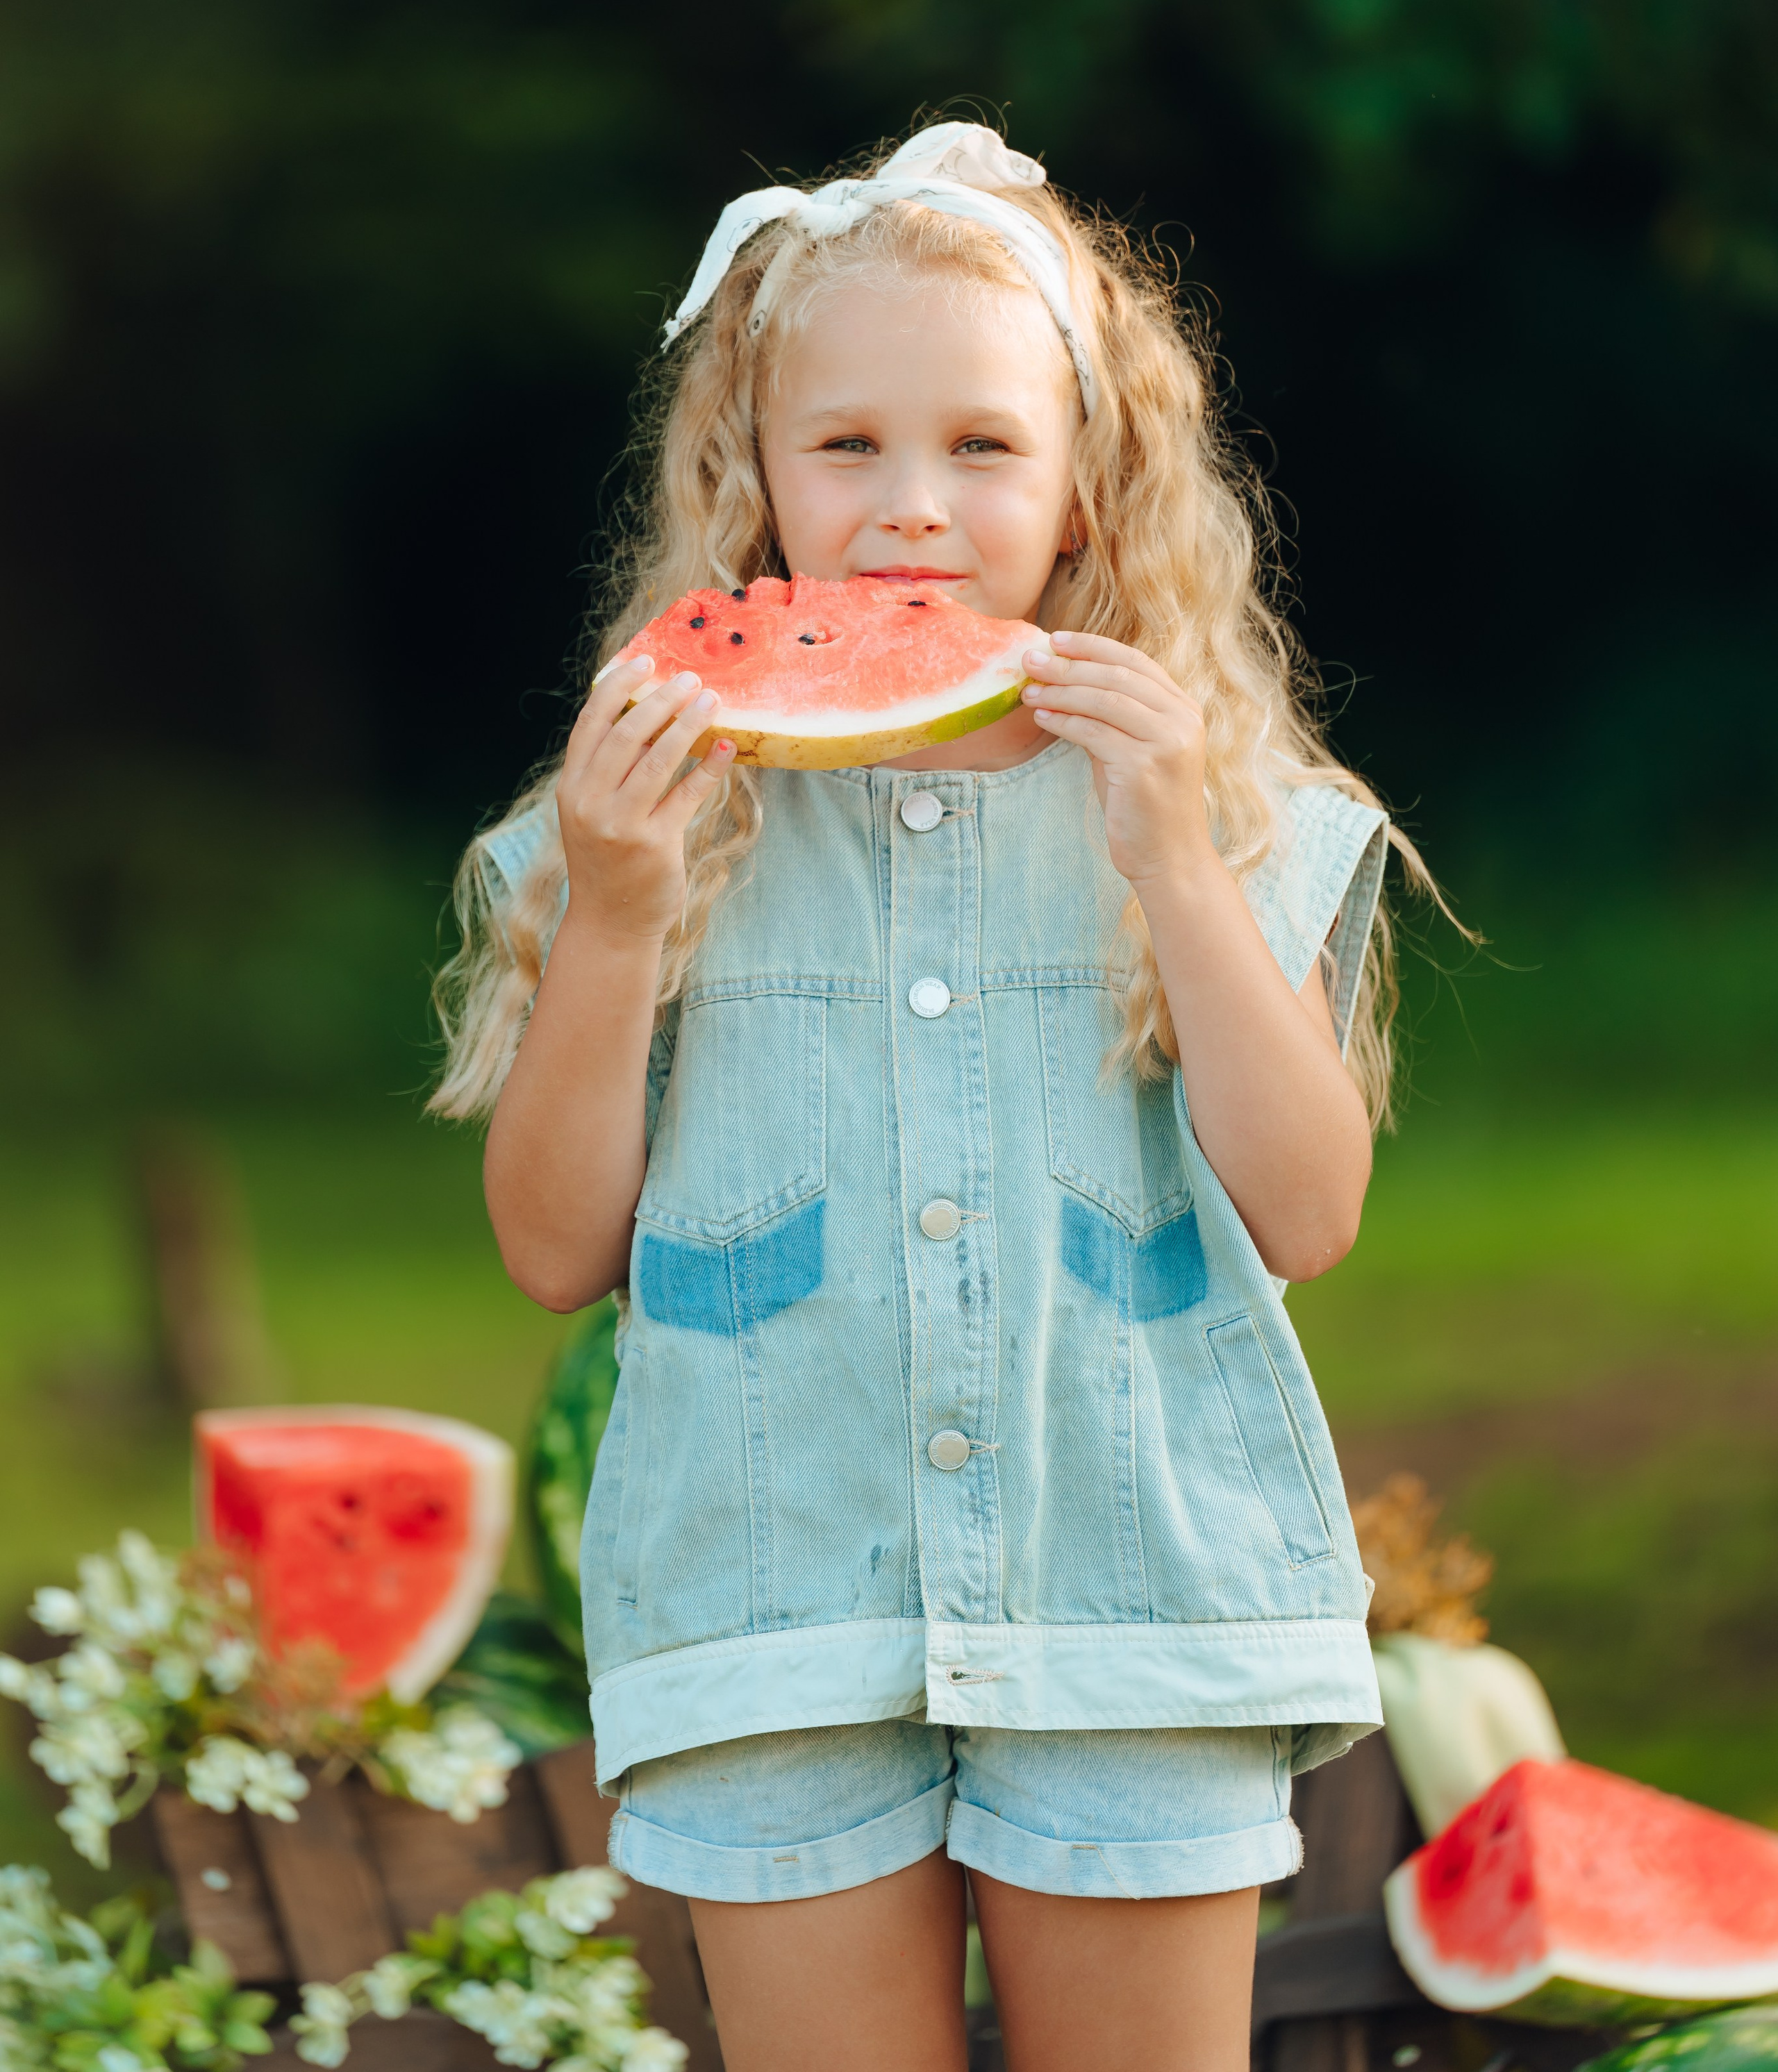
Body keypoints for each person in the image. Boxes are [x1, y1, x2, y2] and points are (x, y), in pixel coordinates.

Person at [432, 122, 1433, 2072]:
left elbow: (1310, 1212)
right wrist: (622, 916)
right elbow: (555, 1250)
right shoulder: (624, 835)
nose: (910, 508)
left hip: (1139, 1599)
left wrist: (1174, 871)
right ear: (752, 476)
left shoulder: (1235, 818)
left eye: (980, 445)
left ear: (1086, 484)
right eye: (847, 447)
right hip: (768, 1610)